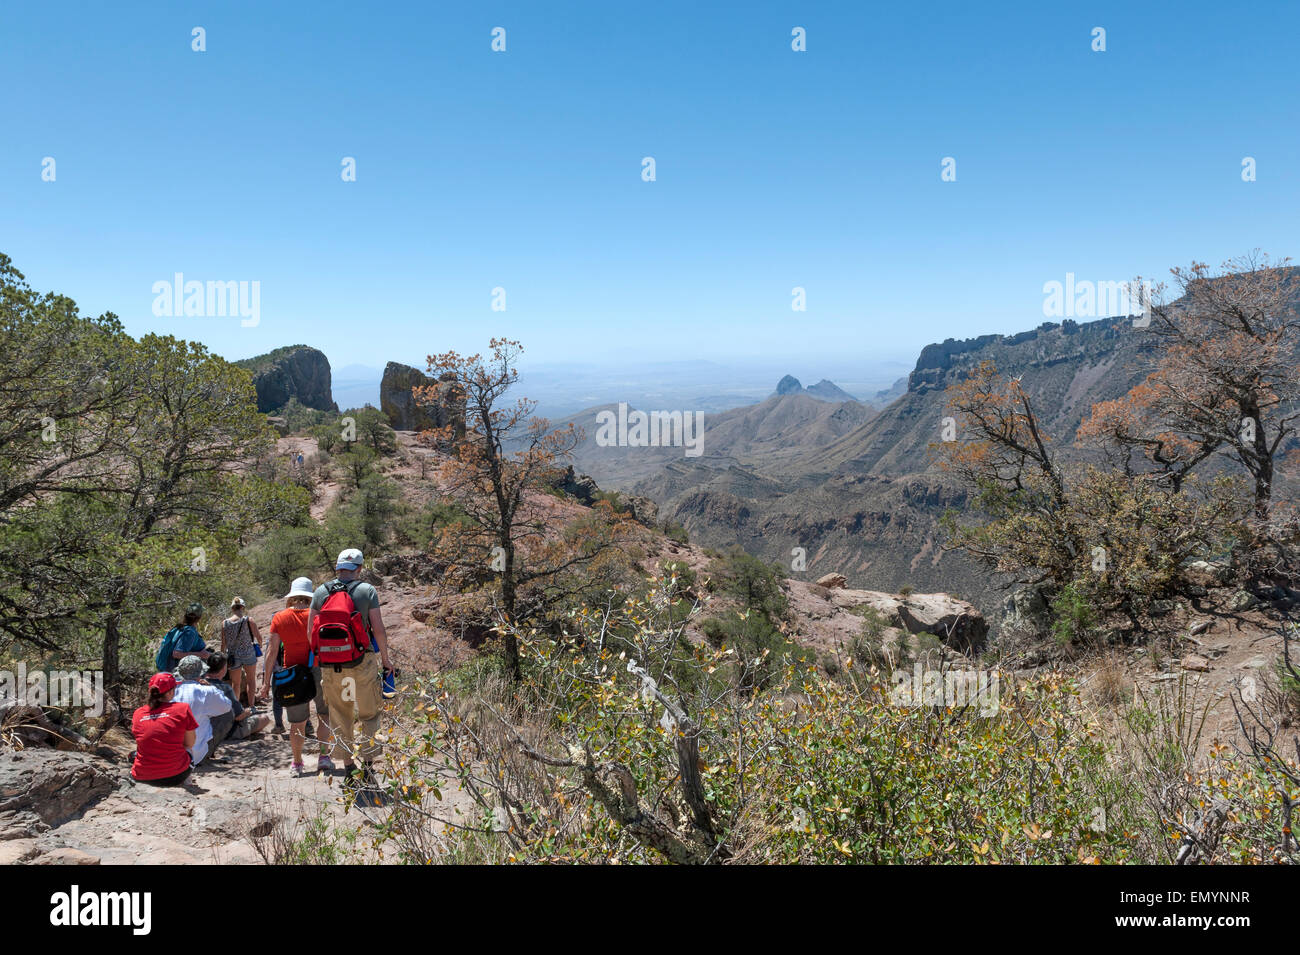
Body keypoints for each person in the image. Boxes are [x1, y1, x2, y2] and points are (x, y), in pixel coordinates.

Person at [307, 548, 393, 790]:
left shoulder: (320, 592)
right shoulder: (367, 591)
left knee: (340, 714)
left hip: (332, 667)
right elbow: (378, 629)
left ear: (338, 568)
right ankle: (367, 766)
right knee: (369, 713)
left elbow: (310, 634)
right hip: (361, 662)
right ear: (360, 568)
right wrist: (385, 660)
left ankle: (348, 767)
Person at [263, 576, 334, 776]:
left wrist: (266, 683)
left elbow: (272, 652)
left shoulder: (279, 618)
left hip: (292, 673)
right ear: (310, 595)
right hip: (319, 669)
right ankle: (324, 758)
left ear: (292, 597)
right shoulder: (318, 614)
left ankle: (297, 763)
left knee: (297, 723)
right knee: (324, 716)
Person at [130, 673, 198, 786]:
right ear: (170, 692)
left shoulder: (138, 713)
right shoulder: (182, 708)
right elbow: (190, 743)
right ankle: (186, 783)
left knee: (137, 753)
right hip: (176, 776)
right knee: (188, 749)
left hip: (142, 776)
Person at [171, 655, 233, 766]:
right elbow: (227, 706)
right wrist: (212, 687)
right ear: (200, 673)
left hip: (173, 750)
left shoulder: (171, 691)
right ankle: (206, 754)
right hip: (197, 753)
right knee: (227, 713)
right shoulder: (206, 691)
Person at [206, 651, 272, 747]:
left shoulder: (199, 683)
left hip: (206, 729)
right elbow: (238, 716)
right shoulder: (225, 688)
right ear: (223, 669)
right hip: (226, 731)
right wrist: (248, 711)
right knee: (264, 718)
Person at [221, 597, 262, 707]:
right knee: (251, 680)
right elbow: (258, 637)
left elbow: (223, 644)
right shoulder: (249, 620)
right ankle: (252, 706)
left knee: (236, 683)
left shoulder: (225, 623)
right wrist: (260, 646)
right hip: (248, 653)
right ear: (242, 607)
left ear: (232, 608)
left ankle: (237, 708)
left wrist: (223, 656)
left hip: (233, 656)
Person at [157, 603, 211, 670]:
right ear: (199, 617)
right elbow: (177, 654)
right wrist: (201, 654)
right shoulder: (190, 632)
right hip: (180, 673)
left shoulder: (181, 627)